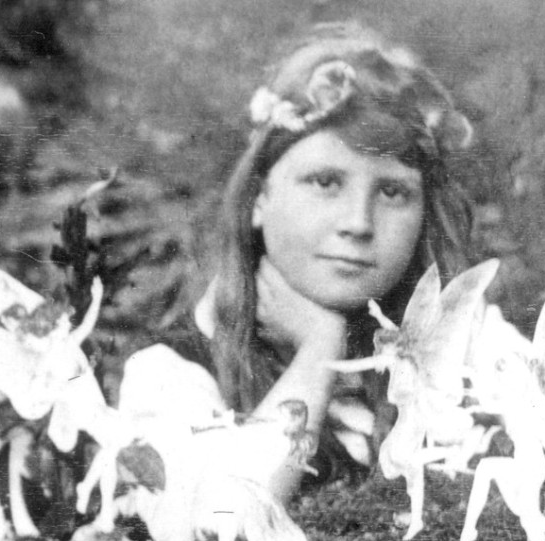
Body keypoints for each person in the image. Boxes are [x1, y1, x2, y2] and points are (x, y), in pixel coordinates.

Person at [119, 22, 477, 502]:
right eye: (326, 182)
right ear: (259, 197)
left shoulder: (466, 347)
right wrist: (318, 353)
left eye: (393, 191)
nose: (358, 223)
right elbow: (222, 526)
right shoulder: (171, 372)